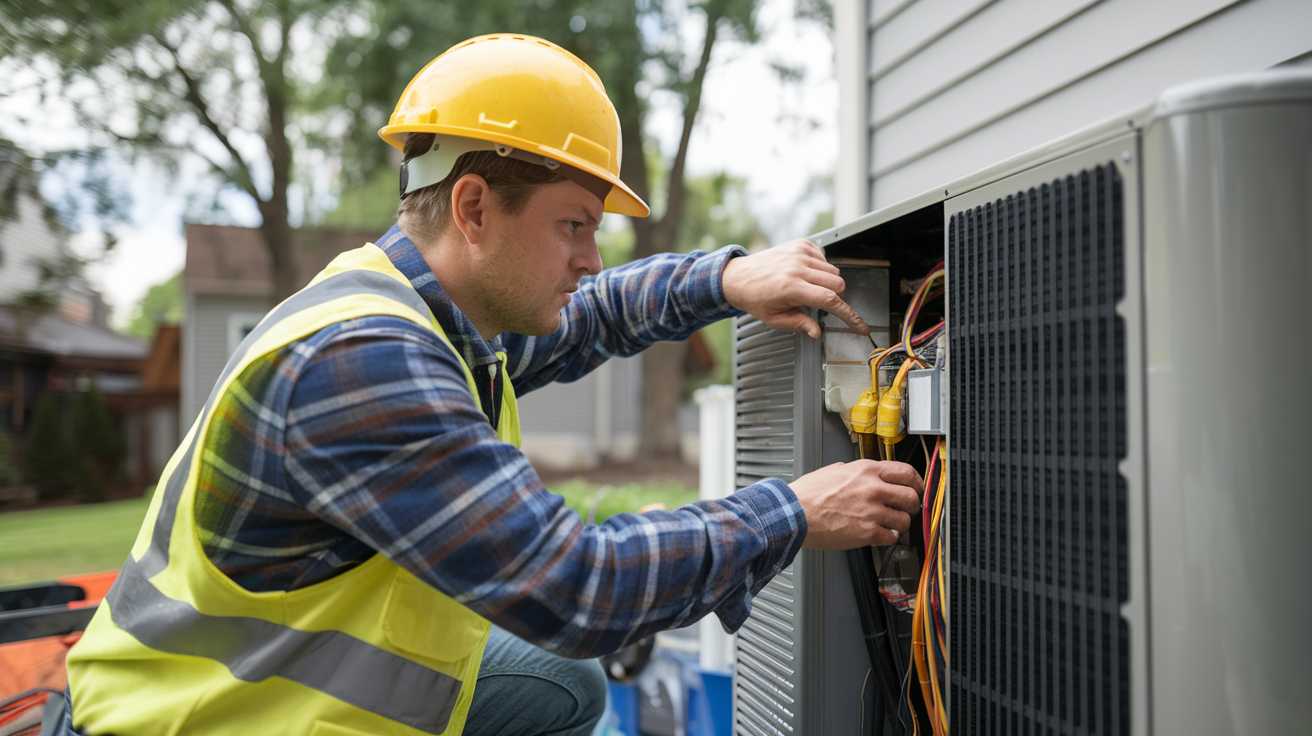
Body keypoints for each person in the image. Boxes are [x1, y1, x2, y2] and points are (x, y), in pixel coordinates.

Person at [60, 34, 922, 735]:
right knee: (565, 651)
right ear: (473, 208)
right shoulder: (361, 364)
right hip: (195, 720)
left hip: (281, 686)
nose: (591, 257)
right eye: (574, 226)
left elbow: (595, 315)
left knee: (565, 687)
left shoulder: (428, 314)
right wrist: (794, 512)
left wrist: (722, 280)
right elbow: (578, 586)